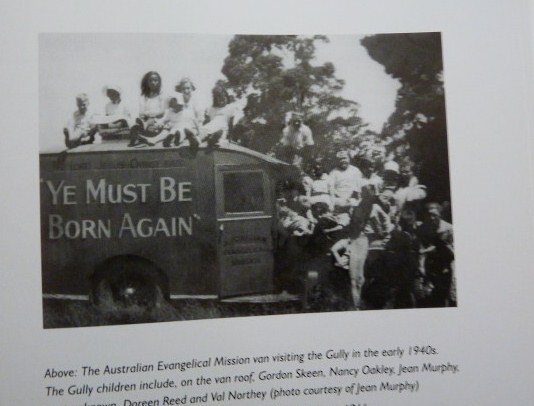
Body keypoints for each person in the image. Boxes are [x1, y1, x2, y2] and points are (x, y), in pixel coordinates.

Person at [129, 71, 167, 147]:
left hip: (158, 118)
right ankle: (137, 132)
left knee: (164, 123)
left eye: (155, 80)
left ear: (159, 82)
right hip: (147, 118)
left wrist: (154, 116)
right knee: (135, 121)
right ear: (147, 82)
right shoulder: (144, 96)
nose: (153, 82)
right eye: (150, 80)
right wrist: (148, 115)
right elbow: (141, 111)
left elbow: (162, 111)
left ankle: (142, 131)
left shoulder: (161, 95)